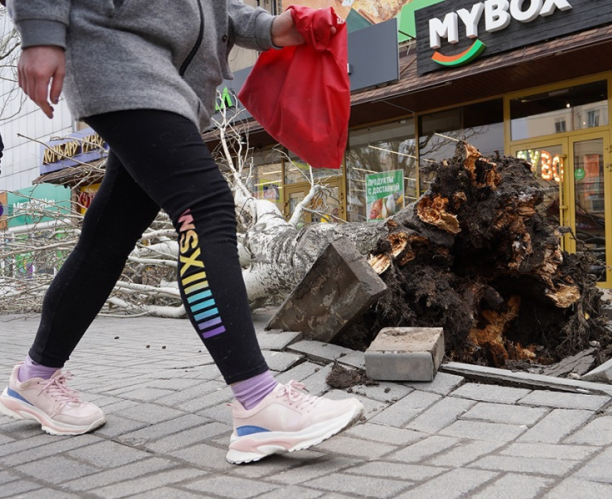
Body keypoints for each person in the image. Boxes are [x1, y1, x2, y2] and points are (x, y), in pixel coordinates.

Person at [0, 0, 363, 464]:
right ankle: (258, 403)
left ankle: (35, 377)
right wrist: (41, 31)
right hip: (117, 53)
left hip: (174, 82)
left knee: (108, 236)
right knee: (205, 205)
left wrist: (272, 27)